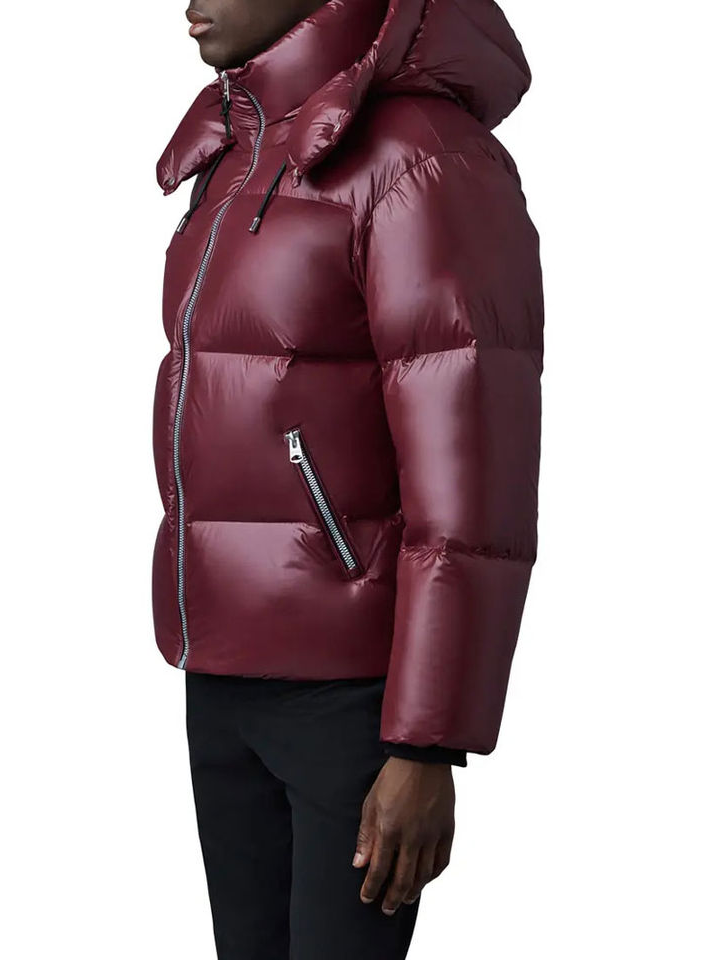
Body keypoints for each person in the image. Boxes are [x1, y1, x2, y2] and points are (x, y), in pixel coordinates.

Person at [151, 0, 542, 956]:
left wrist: (425, 741)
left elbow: (473, 479)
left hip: (351, 700)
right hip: (223, 674)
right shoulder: (241, 151)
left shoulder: (419, 158)